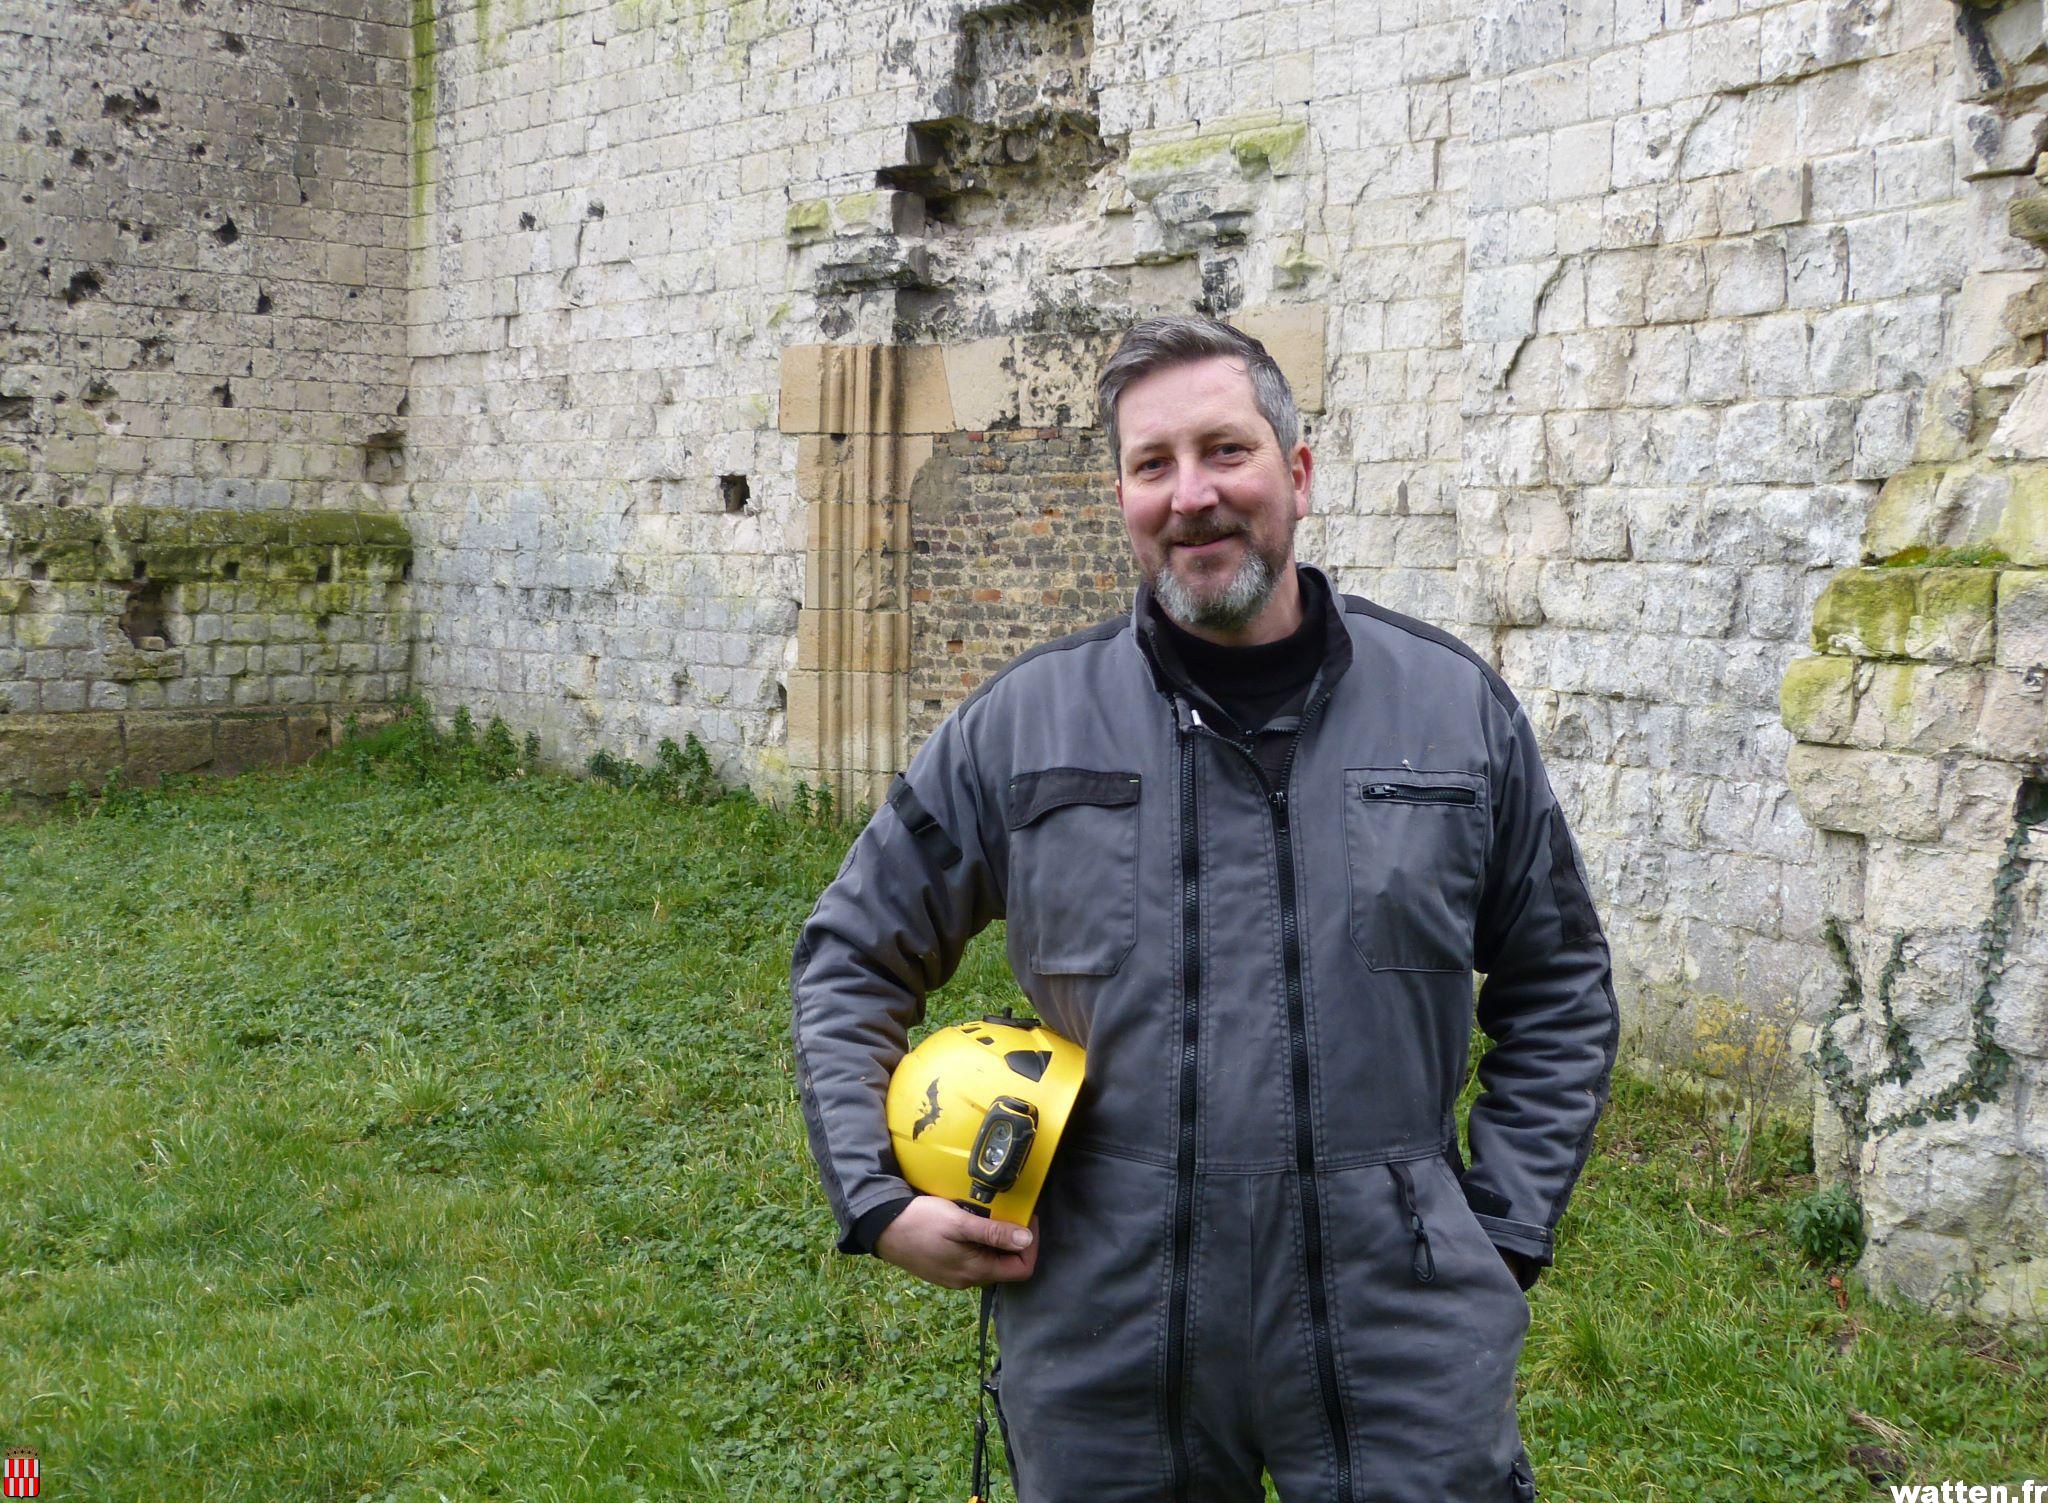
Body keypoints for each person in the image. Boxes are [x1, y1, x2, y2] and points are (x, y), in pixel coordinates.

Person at [790, 314, 1618, 1502]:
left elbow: (1559, 987)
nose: (1191, 496)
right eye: (1151, 465)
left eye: (1224, 452)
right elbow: (850, 953)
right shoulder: (1024, 728)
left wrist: (1500, 1230)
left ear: (1295, 473)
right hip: (1104, 1317)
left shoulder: (1450, 714)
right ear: (1121, 496)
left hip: (1400, 1318)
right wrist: (874, 1198)